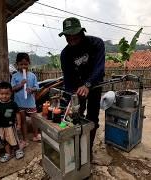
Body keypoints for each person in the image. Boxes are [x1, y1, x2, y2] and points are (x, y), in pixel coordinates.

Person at [59, 17, 105, 156]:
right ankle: (76, 149)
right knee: (75, 116)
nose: (71, 39)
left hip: (95, 85)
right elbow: (68, 78)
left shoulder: (96, 43)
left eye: (74, 35)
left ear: (81, 32)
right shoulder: (65, 54)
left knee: (92, 118)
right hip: (77, 87)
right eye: (68, 36)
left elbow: (99, 68)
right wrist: (70, 97)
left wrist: (88, 84)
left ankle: (87, 150)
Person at [11, 53, 40, 147]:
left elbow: (37, 87)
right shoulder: (15, 76)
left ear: (29, 64)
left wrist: (31, 89)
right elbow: (12, 89)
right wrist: (21, 84)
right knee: (23, 121)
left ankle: (36, 135)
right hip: (19, 103)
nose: (23, 66)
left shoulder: (32, 76)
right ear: (17, 65)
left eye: (26, 64)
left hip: (30, 102)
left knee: (34, 120)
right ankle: (25, 139)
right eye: (21, 64)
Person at [0, 81, 25, 162]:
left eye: (7, 94)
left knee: (14, 139)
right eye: (2, 94)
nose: (4, 96)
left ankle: (18, 150)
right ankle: (8, 153)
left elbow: (17, 114)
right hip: (1, 126)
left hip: (11, 126)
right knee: (4, 140)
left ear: (11, 93)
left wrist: (19, 124)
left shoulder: (13, 104)